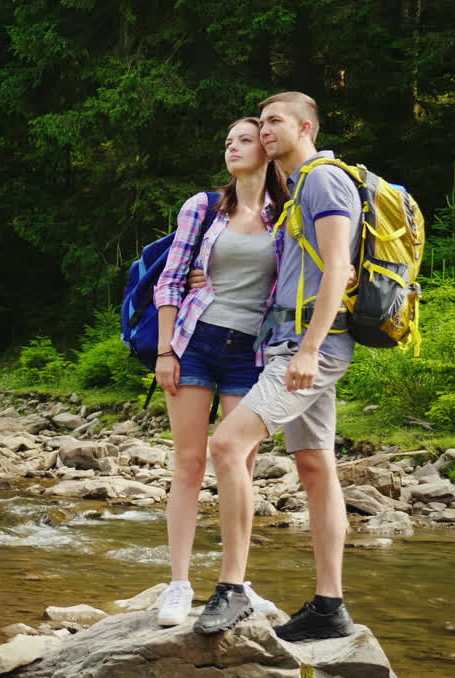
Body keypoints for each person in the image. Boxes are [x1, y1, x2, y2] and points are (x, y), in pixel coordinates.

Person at [191, 91, 361, 641]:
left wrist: (310, 349)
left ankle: (232, 589)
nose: (265, 130)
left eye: (275, 122)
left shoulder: (323, 179)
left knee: (225, 446)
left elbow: (338, 264)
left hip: (309, 348)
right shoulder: (296, 192)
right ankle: (330, 607)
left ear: (306, 125)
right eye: (260, 122)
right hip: (296, 342)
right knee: (315, 467)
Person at [150, 117, 289, 627]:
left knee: (239, 465)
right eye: (227, 140)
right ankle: (178, 584)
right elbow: (169, 280)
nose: (232, 147)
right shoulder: (205, 207)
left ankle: (235, 582)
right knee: (188, 462)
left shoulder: (288, 213)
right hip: (195, 342)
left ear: (268, 149)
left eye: (244, 140)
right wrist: (166, 352)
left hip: (252, 351)